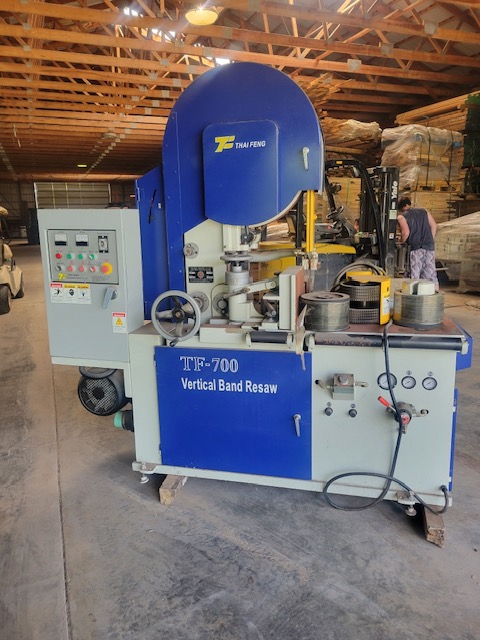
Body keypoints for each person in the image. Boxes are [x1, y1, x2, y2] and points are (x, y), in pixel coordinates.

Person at [397, 196, 439, 290]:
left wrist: (400, 241)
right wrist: (429, 240)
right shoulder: (424, 211)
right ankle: (435, 294)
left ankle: (414, 296)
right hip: (429, 247)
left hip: (415, 249)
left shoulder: (401, 217)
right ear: (408, 204)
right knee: (431, 275)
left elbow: (405, 233)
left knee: (414, 276)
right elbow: (434, 226)